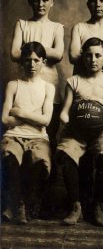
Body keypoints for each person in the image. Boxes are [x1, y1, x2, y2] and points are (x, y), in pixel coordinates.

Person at [56, 37, 103, 227]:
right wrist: (68, 123)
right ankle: (76, 207)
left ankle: (98, 206)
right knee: (66, 153)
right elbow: (64, 113)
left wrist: (101, 102)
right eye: (89, 55)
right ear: (83, 57)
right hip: (76, 129)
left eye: (98, 55)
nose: (93, 60)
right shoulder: (74, 81)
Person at [1, 41, 55, 224]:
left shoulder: (48, 87)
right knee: (10, 157)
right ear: (21, 62)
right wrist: (33, 117)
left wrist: (20, 112)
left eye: (36, 60)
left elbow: (46, 120)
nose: (32, 65)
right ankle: (15, 204)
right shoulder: (13, 85)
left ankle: (21, 204)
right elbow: (4, 120)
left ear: (43, 62)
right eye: (27, 60)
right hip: (14, 135)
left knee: (41, 162)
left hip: (39, 138)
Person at [10, 0, 64, 150]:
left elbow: (58, 54)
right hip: (26, 86)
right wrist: (44, 50)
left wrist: (31, 47)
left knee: (50, 133)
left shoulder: (57, 27)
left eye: (45, 0)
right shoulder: (22, 24)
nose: (41, 4)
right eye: (36, 0)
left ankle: (50, 173)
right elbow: (14, 54)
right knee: (23, 131)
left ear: (52, 2)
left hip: (50, 86)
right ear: (30, 2)